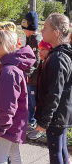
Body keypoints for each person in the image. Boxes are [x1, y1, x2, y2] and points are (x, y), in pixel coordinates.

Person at [0, 30, 36, 164]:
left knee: (1, 157)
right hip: (13, 123)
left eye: (0, 43)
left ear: (12, 46)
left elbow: (8, 105)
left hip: (7, 125)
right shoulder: (10, 67)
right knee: (14, 154)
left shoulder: (9, 71)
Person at [34, 13, 72, 164]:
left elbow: (54, 94)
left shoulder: (58, 59)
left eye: (45, 28)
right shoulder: (59, 55)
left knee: (55, 154)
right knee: (60, 151)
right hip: (59, 115)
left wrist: (44, 121)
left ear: (56, 32)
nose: (42, 31)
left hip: (56, 116)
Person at [21, 12, 42, 133]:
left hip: (34, 78)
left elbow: (36, 60)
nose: (23, 29)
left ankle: (32, 122)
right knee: (28, 100)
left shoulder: (35, 39)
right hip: (29, 76)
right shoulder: (29, 38)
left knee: (33, 101)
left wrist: (29, 72)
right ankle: (29, 121)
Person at [27, 40, 52, 140]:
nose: (40, 52)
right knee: (32, 104)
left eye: (43, 49)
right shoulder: (43, 63)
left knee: (33, 105)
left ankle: (38, 126)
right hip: (35, 87)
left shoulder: (50, 64)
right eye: (39, 50)